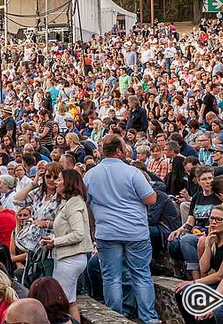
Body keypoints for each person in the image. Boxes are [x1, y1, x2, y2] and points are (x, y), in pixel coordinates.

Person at [83, 135, 158, 324]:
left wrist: (93, 227)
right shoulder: (132, 172)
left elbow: (86, 204)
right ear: (119, 151)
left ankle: (114, 318)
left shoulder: (91, 174)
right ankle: (148, 318)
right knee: (141, 274)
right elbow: (151, 199)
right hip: (135, 231)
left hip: (106, 232)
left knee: (111, 277)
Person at [40, 169, 92, 324]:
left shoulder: (74, 204)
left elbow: (78, 234)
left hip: (71, 259)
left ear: (68, 182)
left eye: (60, 179)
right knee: (70, 300)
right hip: (68, 257)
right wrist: (53, 239)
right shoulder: (71, 202)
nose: (56, 182)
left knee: (60, 301)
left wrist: (55, 242)